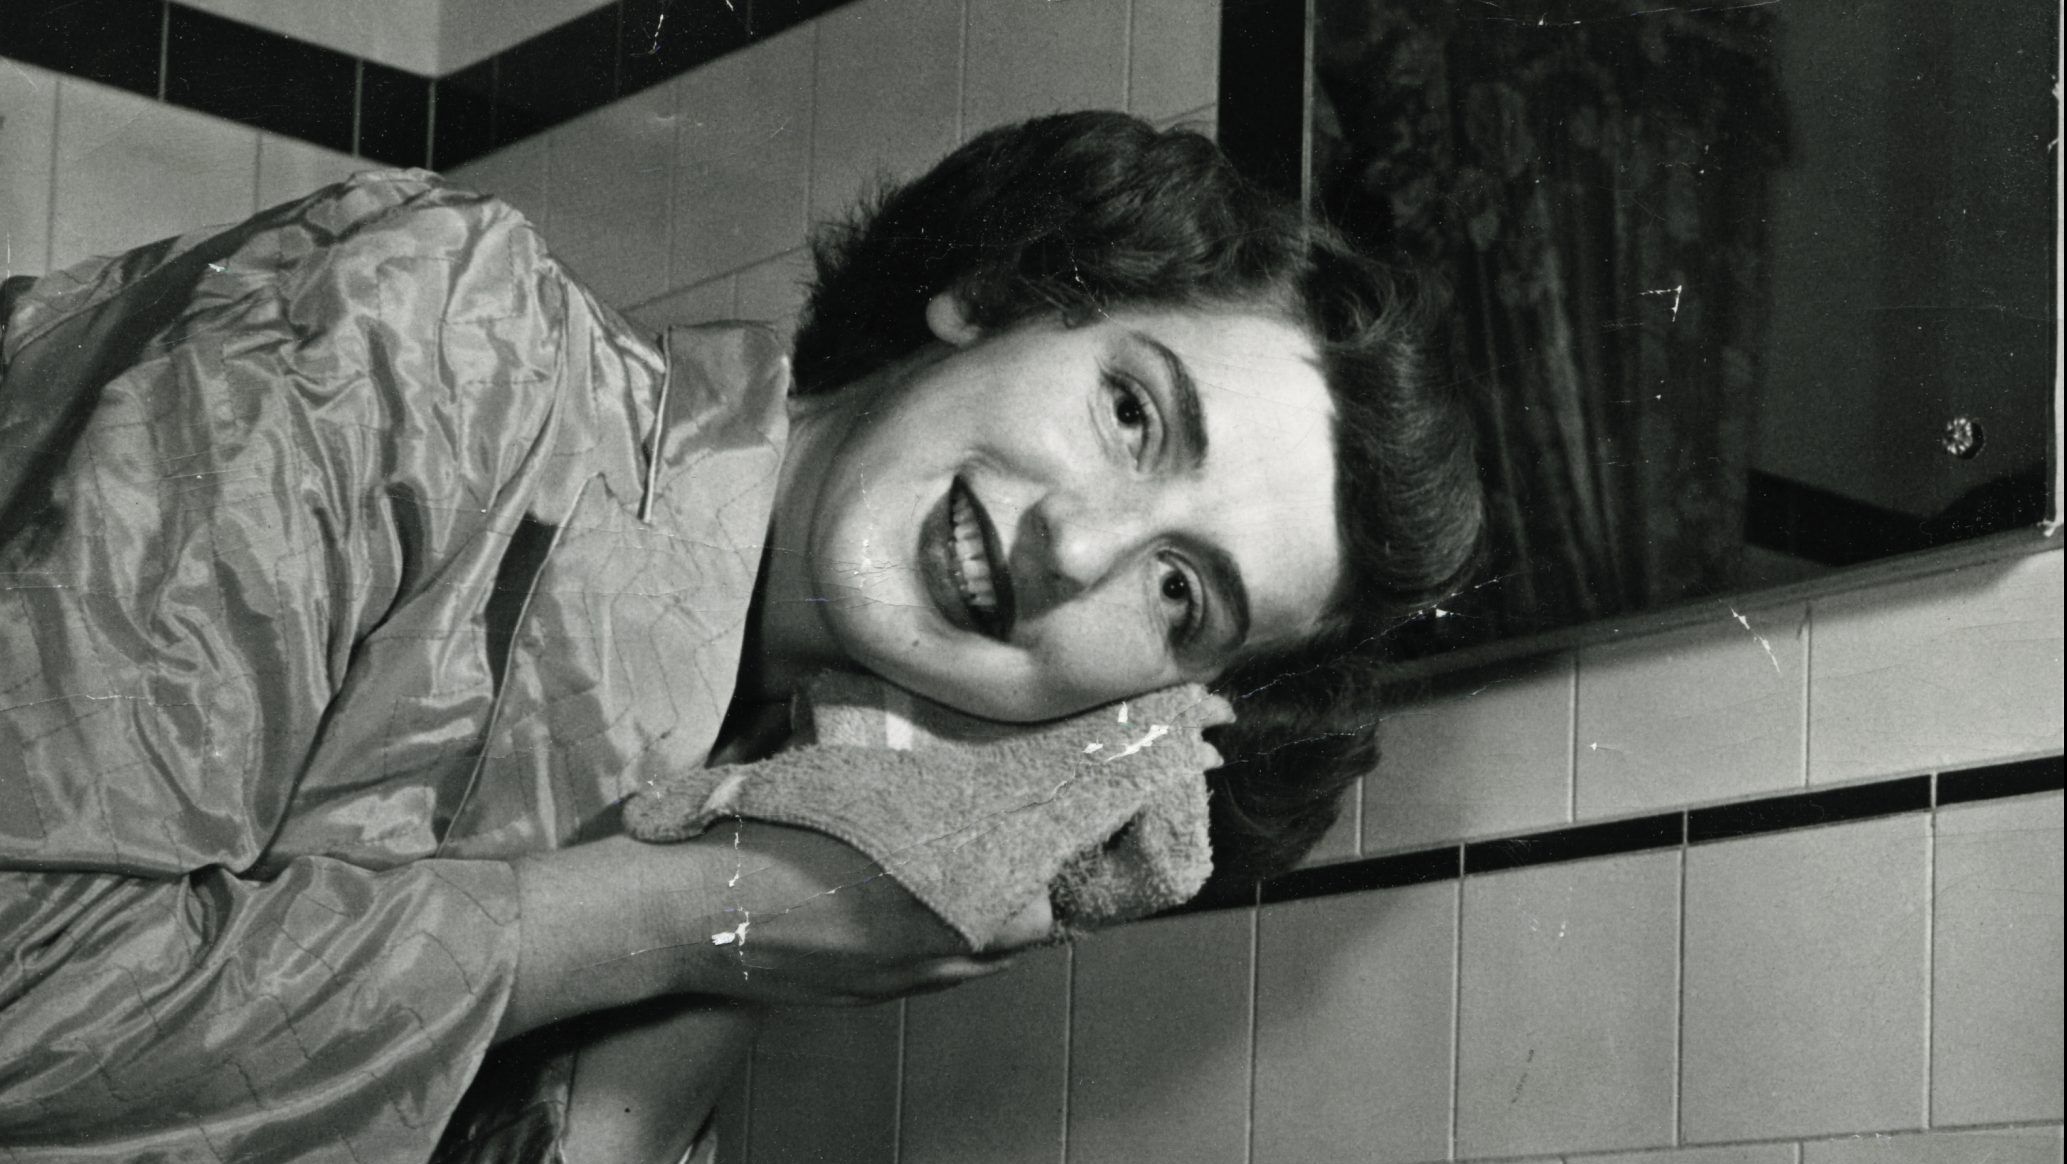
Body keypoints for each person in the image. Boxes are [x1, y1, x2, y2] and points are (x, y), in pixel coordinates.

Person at [0, 111, 1483, 1161]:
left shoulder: (772, 806)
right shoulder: (434, 328)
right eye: (1131, 412)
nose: (1075, 549)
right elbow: (30, 991)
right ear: (992, 296)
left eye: (1181, 598)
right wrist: (688, 915)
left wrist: (740, 930)